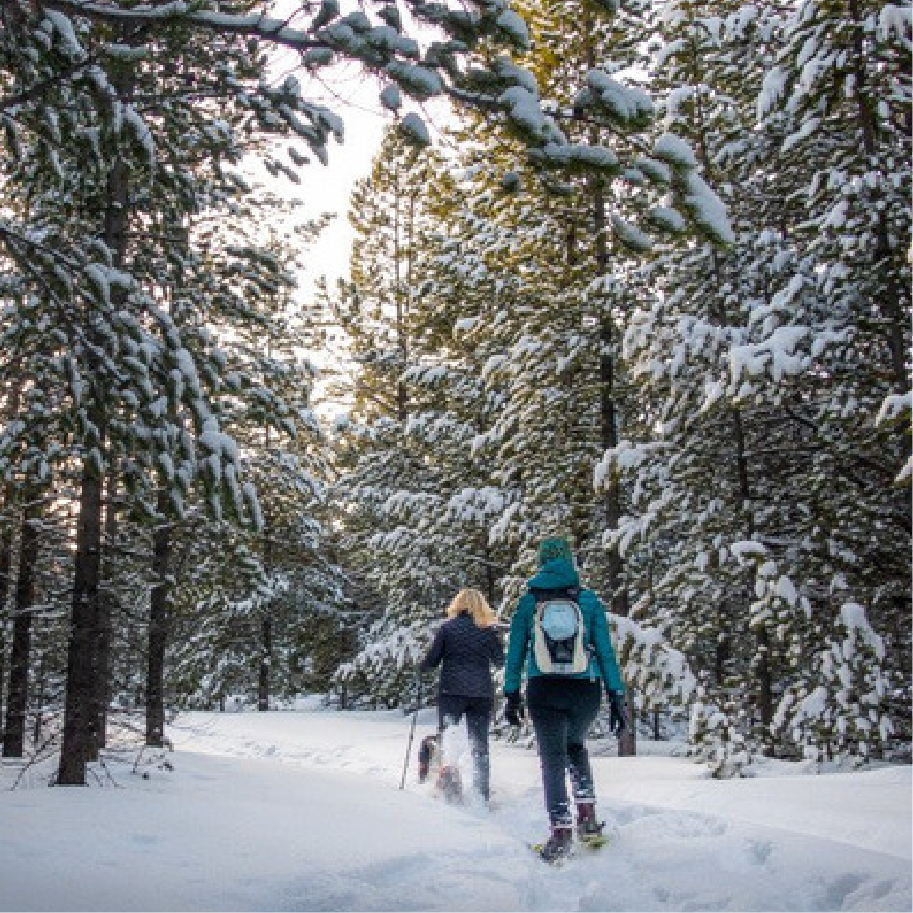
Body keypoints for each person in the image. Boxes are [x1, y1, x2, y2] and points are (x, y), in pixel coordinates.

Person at [504, 537, 626, 862]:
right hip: (585, 689)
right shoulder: (587, 601)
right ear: (570, 562)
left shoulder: (529, 602)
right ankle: (587, 821)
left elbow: (515, 652)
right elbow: (605, 652)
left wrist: (511, 693)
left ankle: (560, 834)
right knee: (575, 747)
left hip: (544, 688)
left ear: (542, 562)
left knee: (553, 759)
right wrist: (616, 695)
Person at [421, 587, 504, 802]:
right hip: (481, 693)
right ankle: (481, 792)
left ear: (457, 605)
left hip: (452, 692)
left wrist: (422, 668)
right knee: (480, 743)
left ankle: (450, 789)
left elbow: (432, 660)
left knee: (449, 738)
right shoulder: (487, 631)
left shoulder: (447, 629)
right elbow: (499, 660)